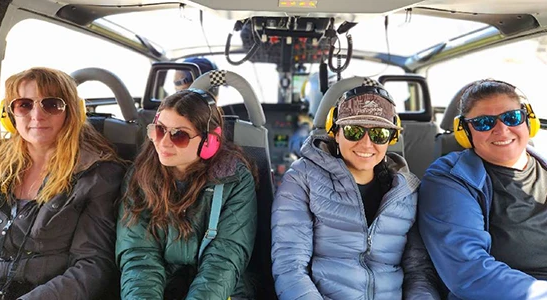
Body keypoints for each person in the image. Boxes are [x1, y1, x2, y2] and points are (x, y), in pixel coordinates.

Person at [271, 77, 441, 299]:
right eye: (354, 131)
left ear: (392, 138)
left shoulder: (407, 190)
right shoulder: (302, 178)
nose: (366, 143)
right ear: (336, 131)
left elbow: (419, 272)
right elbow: (290, 267)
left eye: (379, 133)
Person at [116, 88, 258, 299]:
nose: (164, 142)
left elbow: (224, 260)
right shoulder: (140, 175)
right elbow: (138, 256)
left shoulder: (234, 180)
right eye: (160, 130)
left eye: (179, 135)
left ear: (209, 142)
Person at [0, 67, 125, 299]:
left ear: (72, 112)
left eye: (52, 104)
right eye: (24, 104)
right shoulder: (0, 162)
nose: (37, 116)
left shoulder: (97, 175)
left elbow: (92, 266)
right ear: (9, 113)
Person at [419, 79, 547, 299]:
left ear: (529, 121)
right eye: (484, 123)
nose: (502, 129)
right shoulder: (449, 179)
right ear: (465, 132)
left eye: (511, 117)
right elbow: (470, 272)